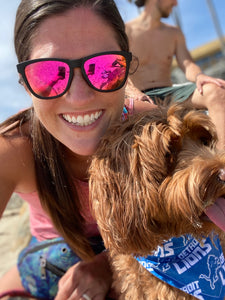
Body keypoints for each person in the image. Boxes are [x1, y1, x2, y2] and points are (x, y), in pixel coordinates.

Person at [0, 0, 155, 299]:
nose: (80, 97)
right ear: (23, 82)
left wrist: (108, 265)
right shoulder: (15, 149)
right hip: (53, 253)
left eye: (105, 68)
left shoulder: (145, 127)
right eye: (49, 74)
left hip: (126, 250)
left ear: (125, 68)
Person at [126, 0, 225, 150]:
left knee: (216, 91)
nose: (176, 4)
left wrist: (199, 76)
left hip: (170, 95)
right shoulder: (127, 31)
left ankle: (222, 161)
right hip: (139, 96)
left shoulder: (174, 33)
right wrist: (135, 94)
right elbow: (119, 69)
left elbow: (187, 64)